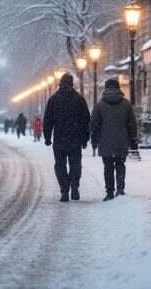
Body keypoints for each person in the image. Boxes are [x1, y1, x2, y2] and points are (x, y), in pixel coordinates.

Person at [43, 73, 90, 202]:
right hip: (75, 138)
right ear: (72, 84)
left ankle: (64, 190)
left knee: (60, 165)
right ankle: (74, 186)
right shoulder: (79, 99)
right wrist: (85, 138)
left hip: (59, 138)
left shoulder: (54, 99)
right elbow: (85, 120)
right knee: (75, 164)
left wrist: (47, 137)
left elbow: (47, 120)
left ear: (60, 83)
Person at [91, 78, 137, 200]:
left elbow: (94, 125)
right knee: (120, 165)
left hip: (105, 142)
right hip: (121, 141)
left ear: (106, 89)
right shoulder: (126, 104)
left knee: (108, 167)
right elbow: (132, 124)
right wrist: (133, 141)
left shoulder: (100, 105)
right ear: (118, 88)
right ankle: (120, 189)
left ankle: (109, 191)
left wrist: (94, 141)